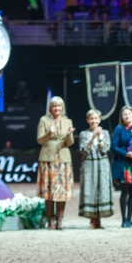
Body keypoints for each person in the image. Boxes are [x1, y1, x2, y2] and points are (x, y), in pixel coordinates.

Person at [36, 96, 75, 230]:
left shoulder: (67, 121)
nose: (57, 108)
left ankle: (59, 221)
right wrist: (49, 133)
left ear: (62, 108)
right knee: (49, 192)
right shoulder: (44, 120)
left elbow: (70, 143)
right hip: (48, 159)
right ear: (50, 108)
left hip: (63, 160)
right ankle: (50, 221)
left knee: (61, 192)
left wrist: (69, 135)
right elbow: (40, 140)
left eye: (59, 106)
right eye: (54, 106)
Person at [78, 109, 113, 229]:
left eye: (96, 119)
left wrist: (100, 138)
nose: (93, 121)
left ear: (99, 120)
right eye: (91, 119)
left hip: (102, 164)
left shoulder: (106, 133)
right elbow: (83, 150)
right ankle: (92, 221)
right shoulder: (83, 134)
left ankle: (99, 220)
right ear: (87, 120)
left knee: (101, 190)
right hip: (89, 164)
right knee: (90, 190)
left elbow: (105, 149)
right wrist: (92, 138)